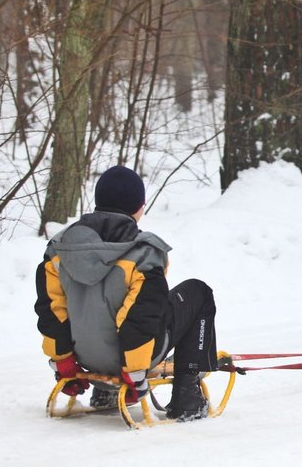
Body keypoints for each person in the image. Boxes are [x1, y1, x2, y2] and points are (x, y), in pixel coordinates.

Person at [35, 166, 218, 422]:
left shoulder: (59, 249)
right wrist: (134, 373)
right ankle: (187, 397)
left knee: (96, 301)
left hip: (82, 355)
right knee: (198, 292)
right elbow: (139, 320)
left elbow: (52, 312)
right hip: (131, 360)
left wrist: (63, 361)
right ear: (139, 206)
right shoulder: (145, 253)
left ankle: (104, 393)